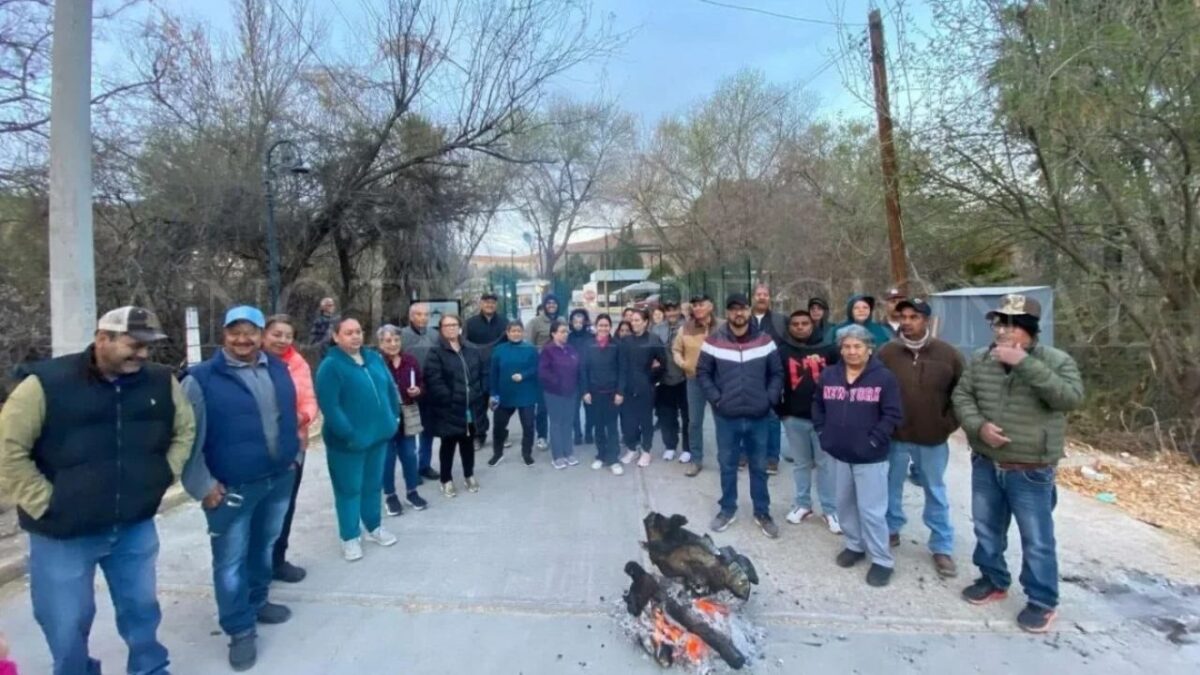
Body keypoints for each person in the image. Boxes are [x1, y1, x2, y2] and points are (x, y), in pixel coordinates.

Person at [0, 306, 194, 675]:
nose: (142, 354)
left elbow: (185, 430)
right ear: (102, 338)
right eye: (133, 345)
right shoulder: (44, 384)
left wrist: (162, 474)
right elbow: (8, 452)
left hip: (133, 526)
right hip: (62, 534)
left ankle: (150, 667)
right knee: (66, 621)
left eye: (147, 347)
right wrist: (47, 503)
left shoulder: (159, 381)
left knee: (141, 608)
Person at [952, 294, 1083, 633]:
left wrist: (1024, 363)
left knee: (1036, 538)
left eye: (1011, 325)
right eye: (999, 323)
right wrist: (978, 426)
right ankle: (993, 580)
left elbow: (1070, 399)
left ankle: (1041, 600)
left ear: (1029, 330)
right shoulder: (981, 359)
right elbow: (961, 395)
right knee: (986, 528)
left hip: (1030, 469)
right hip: (986, 462)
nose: (1002, 331)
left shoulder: (1056, 360)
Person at [182, 305, 302, 669]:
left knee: (264, 546)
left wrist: (293, 455)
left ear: (261, 334)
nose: (242, 339)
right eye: (235, 331)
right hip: (231, 487)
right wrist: (202, 484)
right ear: (223, 334)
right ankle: (239, 629)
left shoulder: (278, 368)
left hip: (277, 478)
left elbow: (287, 417)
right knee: (230, 561)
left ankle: (258, 600)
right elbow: (187, 439)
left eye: (250, 331)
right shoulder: (200, 379)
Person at [878, 299, 964, 578]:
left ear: (926, 320)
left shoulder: (948, 354)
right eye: (902, 316)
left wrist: (947, 423)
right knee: (890, 487)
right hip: (896, 436)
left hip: (933, 437)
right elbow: (874, 388)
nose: (906, 321)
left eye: (913, 316)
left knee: (935, 490)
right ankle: (891, 529)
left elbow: (962, 393)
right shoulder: (887, 353)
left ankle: (941, 545)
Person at [813, 325, 904, 588]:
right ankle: (854, 545)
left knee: (872, 511)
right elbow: (817, 404)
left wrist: (874, 439)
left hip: (871, 456)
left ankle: (882, 560)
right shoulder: (830, 375)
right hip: (839, 453)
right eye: (847, 346)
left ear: (869, 349)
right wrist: (823, 433)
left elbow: (892, 415)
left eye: (857, 346)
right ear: (840, 349)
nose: (852, 351)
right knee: (844, 504)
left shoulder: (884, 378)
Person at [697, 293, 784, 539]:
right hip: (727, 416)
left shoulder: (765, 341)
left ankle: (762, 512)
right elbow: (703, 373)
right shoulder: (713, 341)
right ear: (727, 313)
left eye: (742, 308)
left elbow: (777, 373)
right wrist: (717, 399)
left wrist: (769, 399)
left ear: (748, 310)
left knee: (759, 466)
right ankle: (727, 509)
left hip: (758, 415)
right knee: (727, 465)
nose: (738, 313)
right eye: (733, 309)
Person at [314, 317, 401, 562]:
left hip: (378, 437)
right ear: (336, 336)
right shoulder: (330, 366)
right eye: (348, 332)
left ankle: (373, 526)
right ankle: (350, 536)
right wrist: (349, 434)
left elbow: (389, 388)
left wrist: (393, 417)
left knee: (373, 485)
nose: (355, 337)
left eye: (358, 332)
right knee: (349, 490)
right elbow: (330, 407)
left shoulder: (373, 358)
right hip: (348, 443)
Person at [262, 315, 318, 585]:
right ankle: (255, 563)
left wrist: (300, 417)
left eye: (288, 335)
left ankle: (277, 559)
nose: (282, 340)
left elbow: (309, 401)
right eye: (276, 334)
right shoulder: (251, 362)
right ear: (264, 334)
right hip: (256, 447)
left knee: (285, 505)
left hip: (293, 444)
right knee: (258, 507)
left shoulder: (297, 364)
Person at [776, 310, 842, 534]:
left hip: (824, 419)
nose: (800, 327)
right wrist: (781, 410)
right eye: (795, 324)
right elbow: (776, 380)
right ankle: (803, 504)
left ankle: (830, 509)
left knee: (825, 465)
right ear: (789, 327)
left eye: (805, 323)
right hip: (794, 418)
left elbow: (842, 380)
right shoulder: (783, 351)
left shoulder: (829, 349)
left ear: (812, 325)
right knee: (801, 464)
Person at [424, 314, 488, 497]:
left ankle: (469, 475)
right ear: (441, 330)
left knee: (468, 443)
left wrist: (478, 394)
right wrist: (451, 399)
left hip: (471, 407)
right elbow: (434, 381)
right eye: (447, 325)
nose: (451, 328)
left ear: (460, 327)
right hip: (449, 408)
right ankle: (446, 480)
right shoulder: (436, 352)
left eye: (454, 325)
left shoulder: (470, 350)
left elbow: (480, 374)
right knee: (449, 444)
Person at [376, 325, 430, 516]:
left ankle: (411, 491)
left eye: (396, 340)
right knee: (387, 459)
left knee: (409, 455)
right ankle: (390, 495)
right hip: (384, 418)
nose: (393, 344)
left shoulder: (410, 361)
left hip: (407, 414)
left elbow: (421, 384)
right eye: (388, 341)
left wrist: (418, 391)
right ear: (380, 343)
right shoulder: (376, 363)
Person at [672, 293, 719, 476]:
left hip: (719, 381)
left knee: (723, 421)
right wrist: (683, 363)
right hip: (694, 380)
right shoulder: (686, 328)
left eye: (701, 304)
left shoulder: (723, 326)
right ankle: (696, 460)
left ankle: (728, 458)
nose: (697, 308)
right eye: (695, 305)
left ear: (711, 306)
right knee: (694, 422)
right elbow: (676, 349)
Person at [618, 308, 667, 468]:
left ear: (646, 322)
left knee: (645, 421)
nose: (634, 323)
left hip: (646, 386)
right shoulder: (626, 341)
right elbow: (621, 366)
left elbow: (663, 363)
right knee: (628, 422)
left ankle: (646, 451)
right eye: (632, 320)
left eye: (638, 320)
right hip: (627, 386)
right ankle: (632, 449)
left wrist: (652, 379)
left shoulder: (653, 339)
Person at [489, 321, 540, 467]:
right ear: (507, 333)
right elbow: (493, 373)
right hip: (504, 394)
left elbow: (537, 368)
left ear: (523, 332)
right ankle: (497, 454)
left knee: (528, 426)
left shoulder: (531, 349)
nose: (516, 333)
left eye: (519, 331)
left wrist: (523, 375)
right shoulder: (499, 350)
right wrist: (493, 393)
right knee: (499, 425)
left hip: (526, 394)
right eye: (513, 331)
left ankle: (526, 453)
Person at [581, 314, 624, 475]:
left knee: (612, 427)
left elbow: (622, 370)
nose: (603, 328)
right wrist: (585, 391)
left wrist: (620, 392)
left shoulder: (616, 345)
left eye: (606, 325)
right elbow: (583, 370)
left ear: (610, 327)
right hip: (594, 393)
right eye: (601, 325)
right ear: (595, 326)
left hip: (612, 394)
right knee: (598, 426)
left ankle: (613, 459)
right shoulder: (588, 345)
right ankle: (601, 455)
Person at [749, 283, 786, 475]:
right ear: (753, 297)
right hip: (746, 376)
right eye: (758, 294)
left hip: (772, 376)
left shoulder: (780, 321)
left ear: (769, 298)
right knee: (744, 415)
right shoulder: (743, 319)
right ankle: (744, 455)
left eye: (765, 294)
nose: (762, 297)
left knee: (772, 417)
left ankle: (772, 458)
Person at [401, 302, 440, 481]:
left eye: (426, 314)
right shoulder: (401, 336)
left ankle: (424, 465)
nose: (423, 318)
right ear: (411, 316)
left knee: (427, 429)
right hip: (407, 389)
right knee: (409, 430)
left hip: (430, 388)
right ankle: (410, 470)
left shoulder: (434, 335)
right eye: (418, 314)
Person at [465, 293, 507, 449]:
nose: (490, 305)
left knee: (501, 404)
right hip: (477, 369)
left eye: (493, 302)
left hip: (498, 368)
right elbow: (464, 344)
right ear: (481, 303)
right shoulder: (470, 323)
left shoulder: (504, 322)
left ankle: (502, 434)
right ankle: (479, 435)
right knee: (478, 404)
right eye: (486, 302)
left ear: (496, 305)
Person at [539, 320, 582, 468]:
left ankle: (568, 452)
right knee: (556, 423)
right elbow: (543, 372)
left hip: (571, 392)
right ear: (553, 333)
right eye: (562, 332)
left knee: (568, 422)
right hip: (554, 393)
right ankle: (557, 455)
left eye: (566, 332)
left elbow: (577, 367)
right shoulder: (548, 350)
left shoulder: (570, 349)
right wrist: (559, 383)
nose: (565, 334)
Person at [525, 293, 562, 450]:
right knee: (542, 406)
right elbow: (528, 346)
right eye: (549, 303)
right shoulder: (535, 322)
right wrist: (546, 351)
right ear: (544, 305)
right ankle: (541, 436)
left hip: (560, 371)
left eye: (554, 303)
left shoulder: (562, 321)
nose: (552, 305)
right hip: (543, 370)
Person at [653, 300, 689, 462]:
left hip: (685, 378)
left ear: (679, 310)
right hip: (664, 379)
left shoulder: (689, 327)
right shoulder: (657, 328)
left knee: (688, 416)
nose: (672, 313)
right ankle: (670, 446)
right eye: (668, 311)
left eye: (675, 310)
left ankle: (688, 448)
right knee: (667, 414)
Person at [566, 308, 595, 445]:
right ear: (571, 322)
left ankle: (589, 432)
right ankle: (577, 433)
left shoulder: (591, 337)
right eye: (575, 321)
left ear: (585, 322)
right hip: (572, 378)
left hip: (589, 378)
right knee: (573, 409)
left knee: (590, 408)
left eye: (581, 321)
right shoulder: (568, 338)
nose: (578, 324)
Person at [826, 294, 894, 347]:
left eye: (865, 307)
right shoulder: (836, 330)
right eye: (856, 308)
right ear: (850, 310)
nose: (861, 310)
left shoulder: (883, 330)